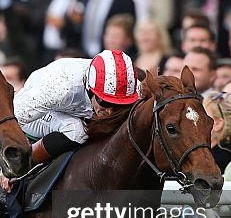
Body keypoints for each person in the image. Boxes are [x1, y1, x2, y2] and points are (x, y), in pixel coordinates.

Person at [12, 49, 141, 167]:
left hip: (74, 107)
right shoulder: (62, 88)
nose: (110, 111)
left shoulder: (136, 90)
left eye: (119, 104)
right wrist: (10, 162)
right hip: (41, 110)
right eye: (105, 102)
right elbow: (12, 117)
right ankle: (22, 164)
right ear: (89, 89)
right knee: (77, 131)